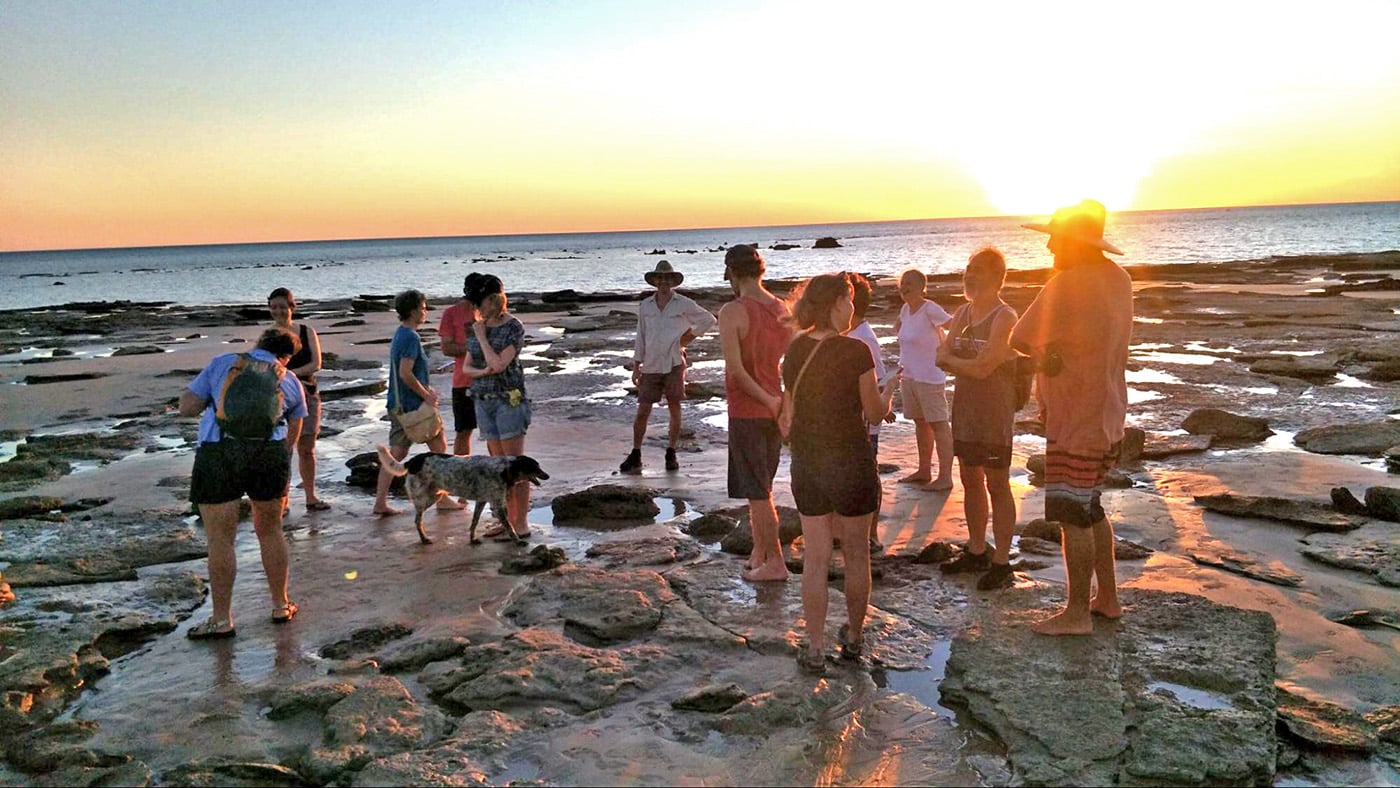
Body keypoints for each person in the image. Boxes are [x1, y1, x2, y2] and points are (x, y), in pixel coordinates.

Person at [1010, 199, 1133, 635]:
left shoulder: (1067, 282)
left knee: (1071, 513)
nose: (1047, 246)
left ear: (1073, 242)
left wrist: (1050, 354)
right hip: (1109, 411)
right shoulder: (1118, 279)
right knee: (1092, 507)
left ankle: (1077, 612)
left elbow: (1020, 337)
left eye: (1054, 238)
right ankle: (1108, 599)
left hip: (1075, 416)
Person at [783, 273, 895, 673]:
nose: (852, 309)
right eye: (848, 301)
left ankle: (813, 648)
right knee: (856, 555)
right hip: (851, 462)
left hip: (809, 464)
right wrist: (891, 387)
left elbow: (788, 411)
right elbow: (876, 412)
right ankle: (853, 637)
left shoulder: (795, 350)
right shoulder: (856, 350)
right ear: (834, 304)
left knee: (815, 558)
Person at [180, 327, 307, 638]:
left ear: (257, 344)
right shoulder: (289, 379)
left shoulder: (223, 363)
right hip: (268, 455)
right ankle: (280, 605)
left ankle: (222, 619)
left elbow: (187, 407)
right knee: (271, 530)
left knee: (221, 540)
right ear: (287, 357)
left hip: (219, 452)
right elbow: (294, 431)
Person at [935, 248, 1022, 590]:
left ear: (998, 278)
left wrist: (958, 362)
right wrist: (965, 363)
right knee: (970, 480)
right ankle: (976, 549)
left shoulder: (1005, 317)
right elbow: (941, 356)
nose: (970, 276)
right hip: (966, 410)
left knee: (997, 484)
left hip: (994, 413)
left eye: (979, 270)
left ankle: (1002, 561)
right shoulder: (962, 313)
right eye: (968, 269)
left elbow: (986, 367)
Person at [718, 244, 792, 582]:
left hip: (750, 410)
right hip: (774, 409)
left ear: (732, 273)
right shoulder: (782, 308)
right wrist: (782, 402)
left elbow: (736, 371)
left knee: (758, 492)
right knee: (762, 486)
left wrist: (767, 399)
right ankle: (759, 552)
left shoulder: (733, 311)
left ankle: (775, 561)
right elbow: (792, 365)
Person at [620, 260, 717, 474]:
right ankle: (635, 453)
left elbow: (708, 319)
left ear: (673, 281)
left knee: (675, 407)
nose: (663, 282)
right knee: (643, 409)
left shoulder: (683, 303)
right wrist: (636, 365)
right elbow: (641, 336)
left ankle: (671, 452)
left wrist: (688, 338)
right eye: (660, 278)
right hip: (651, 364)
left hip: (674, 363)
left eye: (667, 278)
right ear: (655, 281)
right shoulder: (645, 306)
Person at [374, 289, 462, 517]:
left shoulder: (401, 334)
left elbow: (404, 373)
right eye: (423, 308)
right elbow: (405, 373)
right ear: (413, 311)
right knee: (439, 449)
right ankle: (442, 498)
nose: (425, 312)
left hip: (398, 404)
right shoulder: (410, 337)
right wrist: (426, 395)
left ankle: (380, 502)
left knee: (396, 454)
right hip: (413, 406)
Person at [461, 273, 534, 540]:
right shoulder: (479, 325)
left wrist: (482, 339)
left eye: (479, 302)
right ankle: (506, 521)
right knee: (497, 468)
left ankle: (520, 522)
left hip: (509, 400)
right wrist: (481, 373)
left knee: (515, 465)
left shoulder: (512, 327)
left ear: (494, 299)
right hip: (484, 401)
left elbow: (500, 364)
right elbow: (468, 366)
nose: (476, 308)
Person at [267, 287, 329, 512]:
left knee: (307, 448)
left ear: (292, 307)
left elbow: (316, 363)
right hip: (279, 398)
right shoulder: (269, 336)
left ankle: (311, 497)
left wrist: (290, 376)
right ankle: (282, 501)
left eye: (283, 307)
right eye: (274, 307)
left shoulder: (306, 331)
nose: (279, 311)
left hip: (308, 394)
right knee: (283, 449)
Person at [893, 268, 955, 491]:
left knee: (939, 424)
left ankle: (945, 477)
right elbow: (901, 328)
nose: (904, 287)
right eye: (902, 283)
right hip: (909, 377)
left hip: (930, 377)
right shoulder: (905, 310)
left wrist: (948, 353)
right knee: (920, 422)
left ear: (922, 287)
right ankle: (924, 470)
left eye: (909, 283)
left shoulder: (930, 308)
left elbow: (952, 326)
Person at [845, 273, 894, 551]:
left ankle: (871, 535)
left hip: (865, 424)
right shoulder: (851, 334)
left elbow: (881, 379)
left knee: (868, 478)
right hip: (851, 422)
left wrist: (883, 406)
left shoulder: (864, 338)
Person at [438, 276, 480, 456]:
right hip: (464, 382)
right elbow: (447, 348)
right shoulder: (452, 313)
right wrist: (475, 349)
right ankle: (462, 473)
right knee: (464, 431)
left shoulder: (489, 310)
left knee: (496, 432)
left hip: (490, 378)